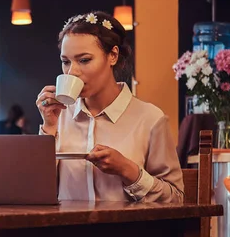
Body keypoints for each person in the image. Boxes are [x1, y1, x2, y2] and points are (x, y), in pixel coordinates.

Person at [36, 11, 183, 203]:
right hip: (66, 231)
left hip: (126, 231)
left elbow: (176, 199)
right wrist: (48, 129)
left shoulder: (150, 119)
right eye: (66, 62)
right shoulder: (59, 117)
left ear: (112, 55)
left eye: (84, 60)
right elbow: (36, 193)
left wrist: (129, 171)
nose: (72, 72)